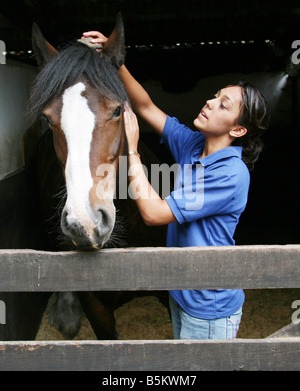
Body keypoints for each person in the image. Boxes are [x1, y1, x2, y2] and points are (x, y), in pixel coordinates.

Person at [82, 31, 269, 339]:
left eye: (223, 105)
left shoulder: (230, 174)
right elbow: (145, 106)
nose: (209, 103)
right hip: (182, 292)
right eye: (214, 96)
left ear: (238, 129)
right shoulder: (194, 145)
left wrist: (131, 150)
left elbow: (154, 214)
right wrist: (113, 61)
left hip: (208, 305)